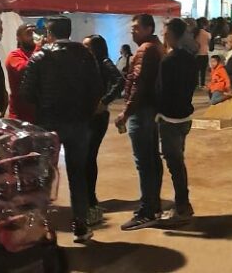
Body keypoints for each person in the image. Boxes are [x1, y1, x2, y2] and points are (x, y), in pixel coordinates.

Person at [21, 16, 103, 243]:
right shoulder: (85, 55)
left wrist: (44, 106)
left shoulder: (40, 57)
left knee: (44, 175)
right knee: (78, 174)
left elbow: (26, 92)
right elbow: (97, 88)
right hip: (79, 123)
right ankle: (81, 226)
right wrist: (86, 111)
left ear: (49, 33)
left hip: (48, 123)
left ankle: (42, 227)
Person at [115, 13, 166, 231]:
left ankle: (147, 211)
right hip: (150, 110)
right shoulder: (156, 46)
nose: (132, 31)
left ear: (148, 28)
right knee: (152, 159)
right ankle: (153, 205)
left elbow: (138, 83)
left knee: (145, 162)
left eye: (136, 27)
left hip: (142, 111)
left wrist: (126, 112)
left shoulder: (146, 49)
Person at [156, 18, 197, 224]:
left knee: (175, 163)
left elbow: (162, 91)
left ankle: (182, 205)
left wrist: (157, 112)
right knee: (178, 160)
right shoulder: (190, 59)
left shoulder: (168, 61)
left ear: (171, 35)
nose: (163, 36)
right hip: (185, 116)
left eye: (165, 33)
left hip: (170, 118)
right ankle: (182, 203)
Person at [82, 34, 124, 228]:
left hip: (97, 117)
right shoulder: (88, 63)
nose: (84, 49)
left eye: (87, 46)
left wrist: (105, 101)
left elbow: (119, 81)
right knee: (86, 157)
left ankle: (91, 199)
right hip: (87, 115)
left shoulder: (104, 62)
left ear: (96, 48)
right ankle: (88, 197)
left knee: (89, 157)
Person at [6, 24, 38, 123]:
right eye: (29, 33)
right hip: (20, 116)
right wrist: (39, 48)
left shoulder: (42, 53)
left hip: (39, 114)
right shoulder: (14, 55)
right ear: (18, 38)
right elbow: (24, 69)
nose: (33, 36)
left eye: (34, 32)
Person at [195, 17, 211, 88]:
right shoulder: (207, 34)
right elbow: (209, 43)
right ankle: (202, 84)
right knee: (203, 70)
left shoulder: (194, 33)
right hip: (204, 53)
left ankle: (196, 83)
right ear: (205, 24)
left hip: (196, 54)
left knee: (196, 70)